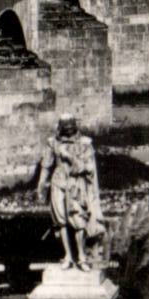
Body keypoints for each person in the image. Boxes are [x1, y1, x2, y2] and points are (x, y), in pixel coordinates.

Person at [37, 116, 105, 271]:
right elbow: (46, 165)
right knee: (61, 221)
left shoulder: (85, 143)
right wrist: (41, 185)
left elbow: (89, 168)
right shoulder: (52, 142)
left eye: (70, 127)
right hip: (58, 182)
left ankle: (81, 257)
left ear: (75, 126)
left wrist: (68, 156)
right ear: (60, 127)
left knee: (79, 220)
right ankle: (68, 256)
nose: (68, 130)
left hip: (76, 184)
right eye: (65, 127)